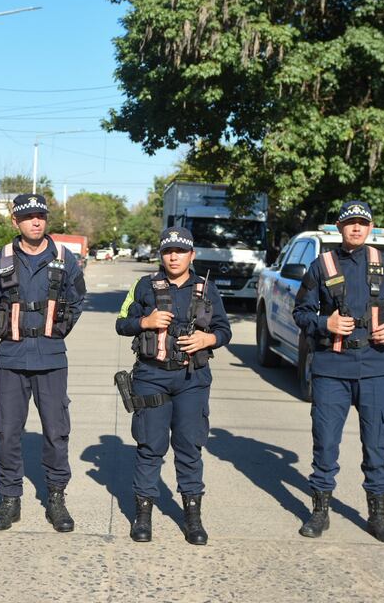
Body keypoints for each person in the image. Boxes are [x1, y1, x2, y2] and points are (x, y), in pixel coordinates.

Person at [292, 201, 384, 544]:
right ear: (339, 227)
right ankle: (320, 512)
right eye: (350, 223)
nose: (356, 228)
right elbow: (301, 313)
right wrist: (326, 322)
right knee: (325, 444)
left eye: (362, 223)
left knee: (376, 446)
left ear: (370, 227)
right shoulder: (322, 265)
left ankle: (377, 516)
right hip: (331, 369)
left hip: (375, 368)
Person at [114, 226, 232, 545]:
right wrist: (145, 322)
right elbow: (121, 323)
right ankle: (142, 516)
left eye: (180, 251)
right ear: (161, 255)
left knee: (189, 447)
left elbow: (224, 330)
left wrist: (209, 338)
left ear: (191, 255)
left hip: (192, 379)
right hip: (151, 376)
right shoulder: (143, 286)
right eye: (168, 251)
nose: (174, 256)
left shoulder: (207, 289)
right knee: (150, 447)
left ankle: (192, 518)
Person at [0, 193, 86, 532]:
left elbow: (77, 297)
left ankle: (56, 497)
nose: (36, 221)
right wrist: (15, 328)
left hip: (52, 356)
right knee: (9, 431)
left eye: (41, 215)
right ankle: (9, 499)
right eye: (28, 217)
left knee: (56, 432)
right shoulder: (1, 260)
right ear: (16, 222)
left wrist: (58, 330)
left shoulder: (64, 258)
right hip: (12, 356)